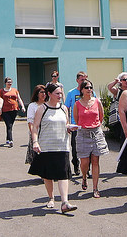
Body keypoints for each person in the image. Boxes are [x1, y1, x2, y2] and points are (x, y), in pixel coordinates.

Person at [29, 83, 78, 213]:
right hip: (46, 146)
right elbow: (35, 127)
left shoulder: (64, 108)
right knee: (48, 175)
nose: (60, 96)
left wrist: (69, 127)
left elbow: (66, 123)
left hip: (62, 145)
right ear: (49, 94)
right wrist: (35, 142)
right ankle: (51, 197)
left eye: (61, 93)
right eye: (57, 93)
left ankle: (65, 202)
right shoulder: (42, 108)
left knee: (63, 174)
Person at [73, 79, 109, 198]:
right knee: (84, 162)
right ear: (82, 90)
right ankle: (84, 177)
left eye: (90, 87)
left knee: (95, 161)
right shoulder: (77, 104)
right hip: (83, 133)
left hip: (96, 133)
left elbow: (101, 116)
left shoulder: (97, 102)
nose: (89, 90)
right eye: (87, 88)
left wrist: (95, 125)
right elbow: (77, 119)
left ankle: (95, 188)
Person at [64, 71, 91, 175]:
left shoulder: (90, 92)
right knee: (75, 148)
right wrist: (67, 124)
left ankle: (87, 169)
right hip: (76, 125)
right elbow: (66, 108)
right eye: (82, 80)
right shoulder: (71, 93)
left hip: (88, 125)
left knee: (88, 148)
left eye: (85, 79)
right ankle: (76, 164)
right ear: (77, 80)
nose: (84, 82)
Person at [0, 77, 25, 148]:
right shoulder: (2, 91)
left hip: (14, 109)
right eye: (8, 82)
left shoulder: (15, 90)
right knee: (9, 124)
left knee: (10, 125)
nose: (9, 83)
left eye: (10, 82)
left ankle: (7, 138)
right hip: (5, 110)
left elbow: (19, 98)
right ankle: (10, 140)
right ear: (5, 83)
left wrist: (22, 106)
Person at [26, 85, 47, 165]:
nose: (44, 94)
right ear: (37, 94)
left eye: (45, 92)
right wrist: (33, 135)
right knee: (37, 157)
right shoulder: (32, 106)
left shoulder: (48, 104)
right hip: (36, 133)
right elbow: (30, 121)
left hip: (47, 133)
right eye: (41, 92)